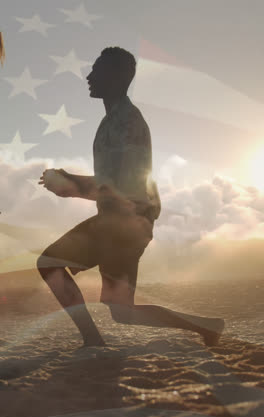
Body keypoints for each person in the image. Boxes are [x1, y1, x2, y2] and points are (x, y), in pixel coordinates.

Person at [37, 47, 224, 347]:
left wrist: (70, 183)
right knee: (119, 310)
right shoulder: (111, 122)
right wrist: (70, 184)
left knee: (54, 266)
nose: (89, 76)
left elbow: (121, 186)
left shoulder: (126, 121)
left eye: (97, 70)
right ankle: (207, 326)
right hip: (116, 222)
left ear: (118, 76)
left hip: (126, 224)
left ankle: (94, 341)